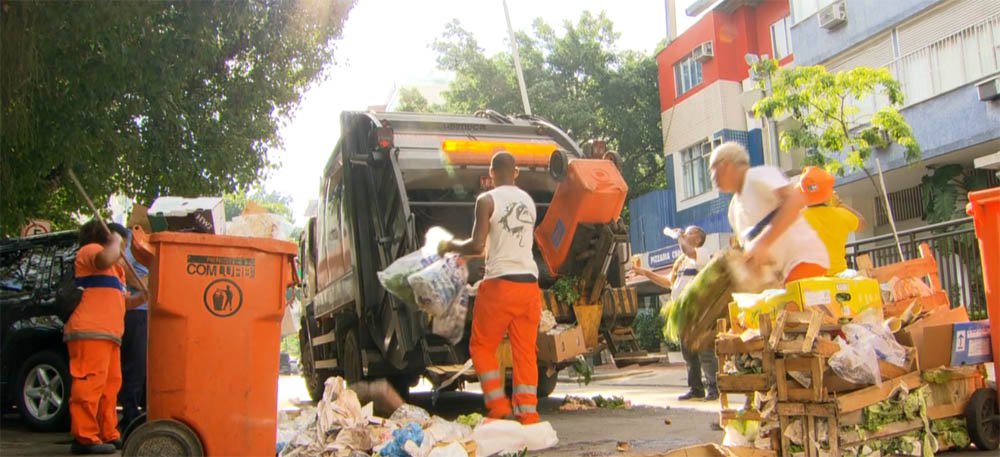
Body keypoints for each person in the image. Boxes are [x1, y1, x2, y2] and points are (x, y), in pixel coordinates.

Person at [440, 151, 542, 424]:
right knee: (525, 352)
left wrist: (448, 246)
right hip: (530, 287)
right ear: (516, 172)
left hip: (500, 287)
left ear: (491, 173)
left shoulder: (486, 200)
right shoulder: (529, 202)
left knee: (482, 347)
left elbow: (476, 246)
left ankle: (498, 406)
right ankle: (528, 413)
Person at [66, 221, 147, 455]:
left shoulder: (117, 273)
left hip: (110, 335)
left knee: (110, 386)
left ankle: (107, 431)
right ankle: (84, 436)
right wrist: (115, 240)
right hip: (90, 331)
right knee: (90, 383)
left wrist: (144, 296)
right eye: (122, 245)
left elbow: (125, 303)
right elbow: (105, 258)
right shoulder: (91, 252)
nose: (123, 252)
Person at [708, 142, 829, 284]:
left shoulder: (757, 175)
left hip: (803, 260)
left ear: (725, 164)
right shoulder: (733, 210)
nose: (711, 177)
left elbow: (795, 199)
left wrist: (763, 242)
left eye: (712, 169)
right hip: (780, 279)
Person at [633, 226, 719, 401]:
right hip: (681, 312)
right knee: (688, 353)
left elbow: (689, 251)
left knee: (705, 350)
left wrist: (679, 237)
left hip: (698, 310)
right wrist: (646, 273)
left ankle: (713, 387)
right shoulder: (681, 261)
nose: (685, 234)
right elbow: (668, 282)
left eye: (689, 232)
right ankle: (695, 388)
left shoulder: (702, 254)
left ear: (697, 238)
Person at [797, 166, 866, 276]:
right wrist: (839, 203)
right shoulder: (841, 215)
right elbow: (862, 223)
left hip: (809, 282)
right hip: (839, 279)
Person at [119, 229, 149, 431]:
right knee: (134, 365)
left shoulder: (147, 242)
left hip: (144, 310)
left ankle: (135, 413)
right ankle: (130, 415)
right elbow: (122, 270)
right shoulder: (131, 241)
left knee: (141, 366)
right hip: (135, 311)